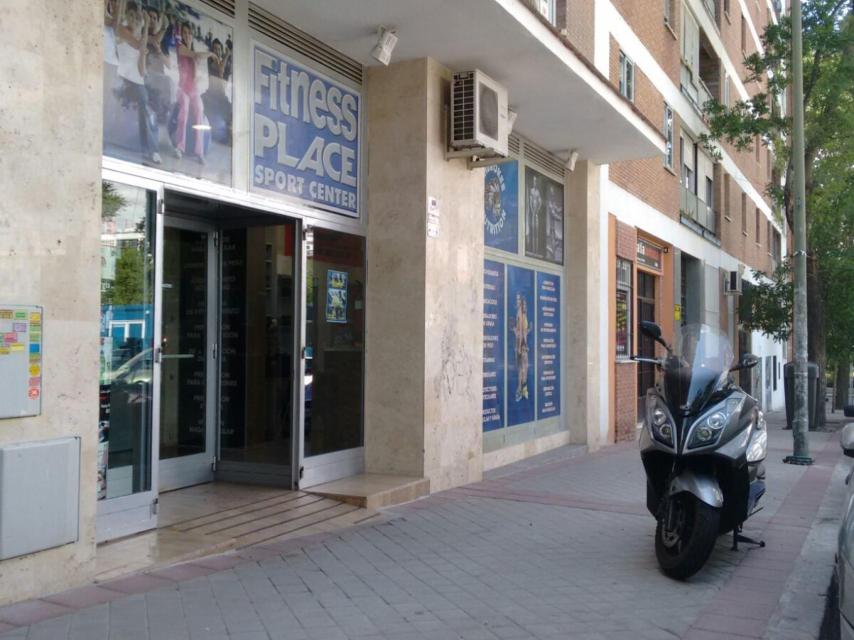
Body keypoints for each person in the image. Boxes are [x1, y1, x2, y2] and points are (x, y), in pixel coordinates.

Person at [115, 2, 161, 164]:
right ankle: (150, 148)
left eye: (137, 17)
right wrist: (146, 27)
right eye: (132, 16)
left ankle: (152, 149)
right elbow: (138, 45)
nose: (134, 19)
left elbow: (141, 71)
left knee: (148, 104)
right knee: (143, 100)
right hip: (124, 79)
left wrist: (143, 50)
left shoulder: (141, 40)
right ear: (127, 16)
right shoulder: (122, 30)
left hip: (138, 82)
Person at [174, 21, 211, 163]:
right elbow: (190, 53)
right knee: (184, 108)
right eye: (184, 33)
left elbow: (195, 78)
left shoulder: (195, 55)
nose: (187, 35)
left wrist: (196, 60)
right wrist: (208, 54)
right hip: (182, 89)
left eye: (189, 33)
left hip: (193, 90)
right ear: (182, 35)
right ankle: (180, 147)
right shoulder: (180, 47)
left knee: (199, 110)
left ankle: (199, 152)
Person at [513, 294, 530, 402]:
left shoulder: (522, 314)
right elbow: (521, 332)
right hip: (522, 345)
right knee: (522, 369)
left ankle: (522, 389)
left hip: (522, 345)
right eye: (518, 300)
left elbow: (522, 331)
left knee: (523, 368)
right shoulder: (520, 314)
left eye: (522, 302)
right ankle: (521, 390)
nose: (520, 304)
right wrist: (520, 347)